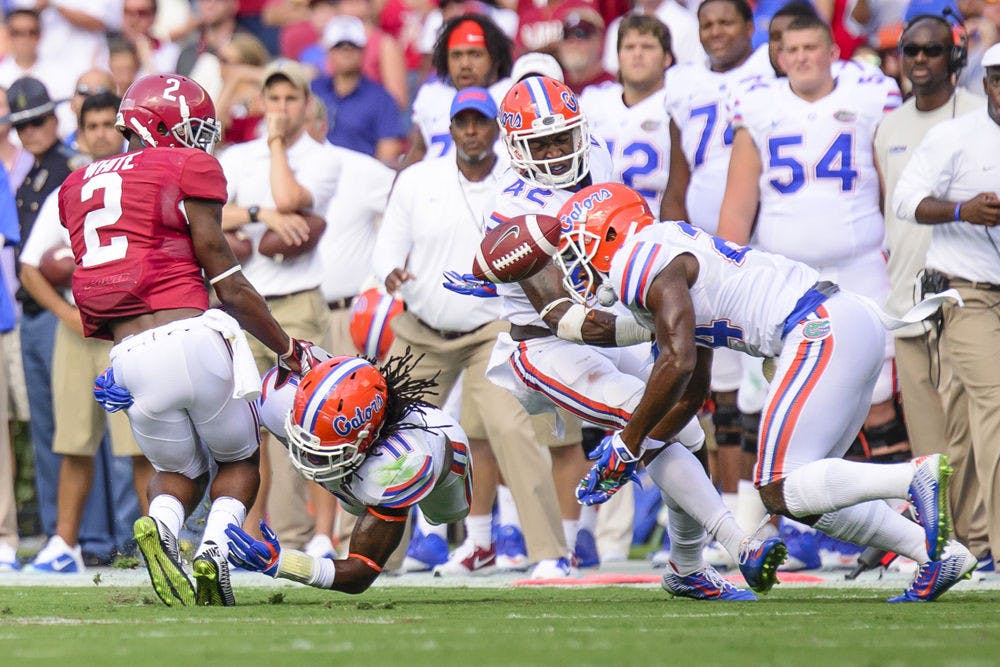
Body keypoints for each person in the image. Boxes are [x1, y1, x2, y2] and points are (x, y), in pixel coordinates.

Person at [555, 181, 977, 602]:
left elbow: (677, 361)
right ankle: (936, 555)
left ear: (608, 234)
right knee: (806, 496)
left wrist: (627, 444)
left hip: (816, 329)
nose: (577, 263)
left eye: (578, 248)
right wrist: (641, 447)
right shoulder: (664, 251)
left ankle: (911, 476)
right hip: (845, 321)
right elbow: (690, 390)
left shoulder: (637, 258)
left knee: (778, 484)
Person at [451, 76, 784, 596]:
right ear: (517, 147)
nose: (559, 152)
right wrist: (660, 321)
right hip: (545, 343)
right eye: (544, 144)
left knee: (684, 427)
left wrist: (657, 314)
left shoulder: (598, 160)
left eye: (564, 137)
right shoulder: (514, 209)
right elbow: (567, 319)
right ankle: (740, 542)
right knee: (644, 414)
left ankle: (688, 568)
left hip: (605, 321)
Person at [58, 73, 326, 606]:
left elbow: (99, 282)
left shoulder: (76, 186)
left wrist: (116, 362)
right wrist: (287, 347)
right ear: (157, 125)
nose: (198, 141)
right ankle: (215, 551)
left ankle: (161, 526)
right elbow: (224, 276)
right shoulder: (186, 165)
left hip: (128, 354)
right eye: (189, 129)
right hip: (192, 335)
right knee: (240, 461)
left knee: (175, 470)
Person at [717, 15, 907, 497]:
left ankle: (893, 517)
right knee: (782, 396)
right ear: (779, 57)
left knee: (877, 396)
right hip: (787, 273)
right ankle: (789, 520)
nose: (801, 57)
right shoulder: (759, 106)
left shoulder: (868, 98)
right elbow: (738, 203)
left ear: (831, 53)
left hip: (860, 265)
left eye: (811, 48)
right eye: (792, 49)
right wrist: (728, 274)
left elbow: (890, 189)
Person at [373, 88, 555, 576]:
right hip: (422, 327)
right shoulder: (417, 180)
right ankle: (375, 555)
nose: (471, 131)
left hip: (491, 327)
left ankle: (549, 553)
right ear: (450, 129)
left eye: (480, 121)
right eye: (463, 122)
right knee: (384, 434)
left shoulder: (519, 184)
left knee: (511, 426)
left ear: (497, 127)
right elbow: (387, 243)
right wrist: (389, 271)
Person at [19, 93, 153, 574]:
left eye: (106, 125)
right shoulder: (67, 189)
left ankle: (157, 544)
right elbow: (29, 266)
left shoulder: (142, 181)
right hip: (81, 328)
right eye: (90, 125)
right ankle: (64, 544)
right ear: (79, 133)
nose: (99, 133)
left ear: (121, 131)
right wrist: (66, 313)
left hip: (126, 326)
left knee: (139, 446)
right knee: (73, 441)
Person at [660, 0, 775, 563]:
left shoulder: (770, 71)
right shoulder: (681, 83)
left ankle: (771, 516)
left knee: (764, 389)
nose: (716, 32)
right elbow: (679, 172)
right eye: (707, 24)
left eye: (727, 21)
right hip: (703, 252)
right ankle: (732, 518)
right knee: (717, 396)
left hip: (760, 248)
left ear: (750, 28)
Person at [873, 14, 989, 565]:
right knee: (931, 444)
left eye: (933, 51)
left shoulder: (978, 119)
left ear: (956, 58)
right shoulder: (889, 127)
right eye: (910, 51)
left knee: (974, 427)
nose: (919, 61)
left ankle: (983, 542)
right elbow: (889, 214)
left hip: (964, 292)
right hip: (908, 298)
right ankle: (953, 547)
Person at [219, 59, 341, 561]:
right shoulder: (236, 156)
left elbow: (292, 194)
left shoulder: (322, 157)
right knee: (246, 424)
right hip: (246, 300)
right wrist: (262, 214)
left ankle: (310, 535)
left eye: (291, 99)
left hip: (298, 302)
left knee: (306, 418)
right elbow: (207, 214)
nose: (281, 109)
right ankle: (245, 536)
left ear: (307, 105)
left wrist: (273, 144)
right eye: (273, 99)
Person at [225, 352, 472, 594]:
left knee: (445, 513)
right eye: (305, 443)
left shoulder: (398, 464)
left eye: (324, 451)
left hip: (444, 449)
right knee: (354, 498)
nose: (309, 457)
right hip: (360, 458)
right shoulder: (280, 399)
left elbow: (360, 572)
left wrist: (283, 563)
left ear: (367, 437)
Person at [4, 76, 88, 560]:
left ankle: (95, 538)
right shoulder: (33, 172)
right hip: (33, 312)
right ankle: (65, 536)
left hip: (65, 309)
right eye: (22, 125)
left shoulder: (67, 168)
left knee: (78, 433)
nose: (31, 130)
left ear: (55, 120)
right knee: (49, 433)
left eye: (38, 120)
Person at [581, 14, 675, 214]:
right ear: (618, 57)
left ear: (667, 58)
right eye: (629, 47)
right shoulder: (593, 100)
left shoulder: (677, 104)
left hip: (654, 222)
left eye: (647, 47)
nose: (637, 54)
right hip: (596, 222)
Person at [403, 15, 513, 167]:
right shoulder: (432, 95)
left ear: (496, 59)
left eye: (475, 54)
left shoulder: (511, 94)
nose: (465, 64)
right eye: (456, 55)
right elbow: (417, 153)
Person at [309, 17, 405, 164]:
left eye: (352, 45)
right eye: (339, 46)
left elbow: (388, 153)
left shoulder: (381, 99)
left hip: (362, 179)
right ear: (329, 52)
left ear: (363, 50)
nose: (346, 51)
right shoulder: (313, 90)